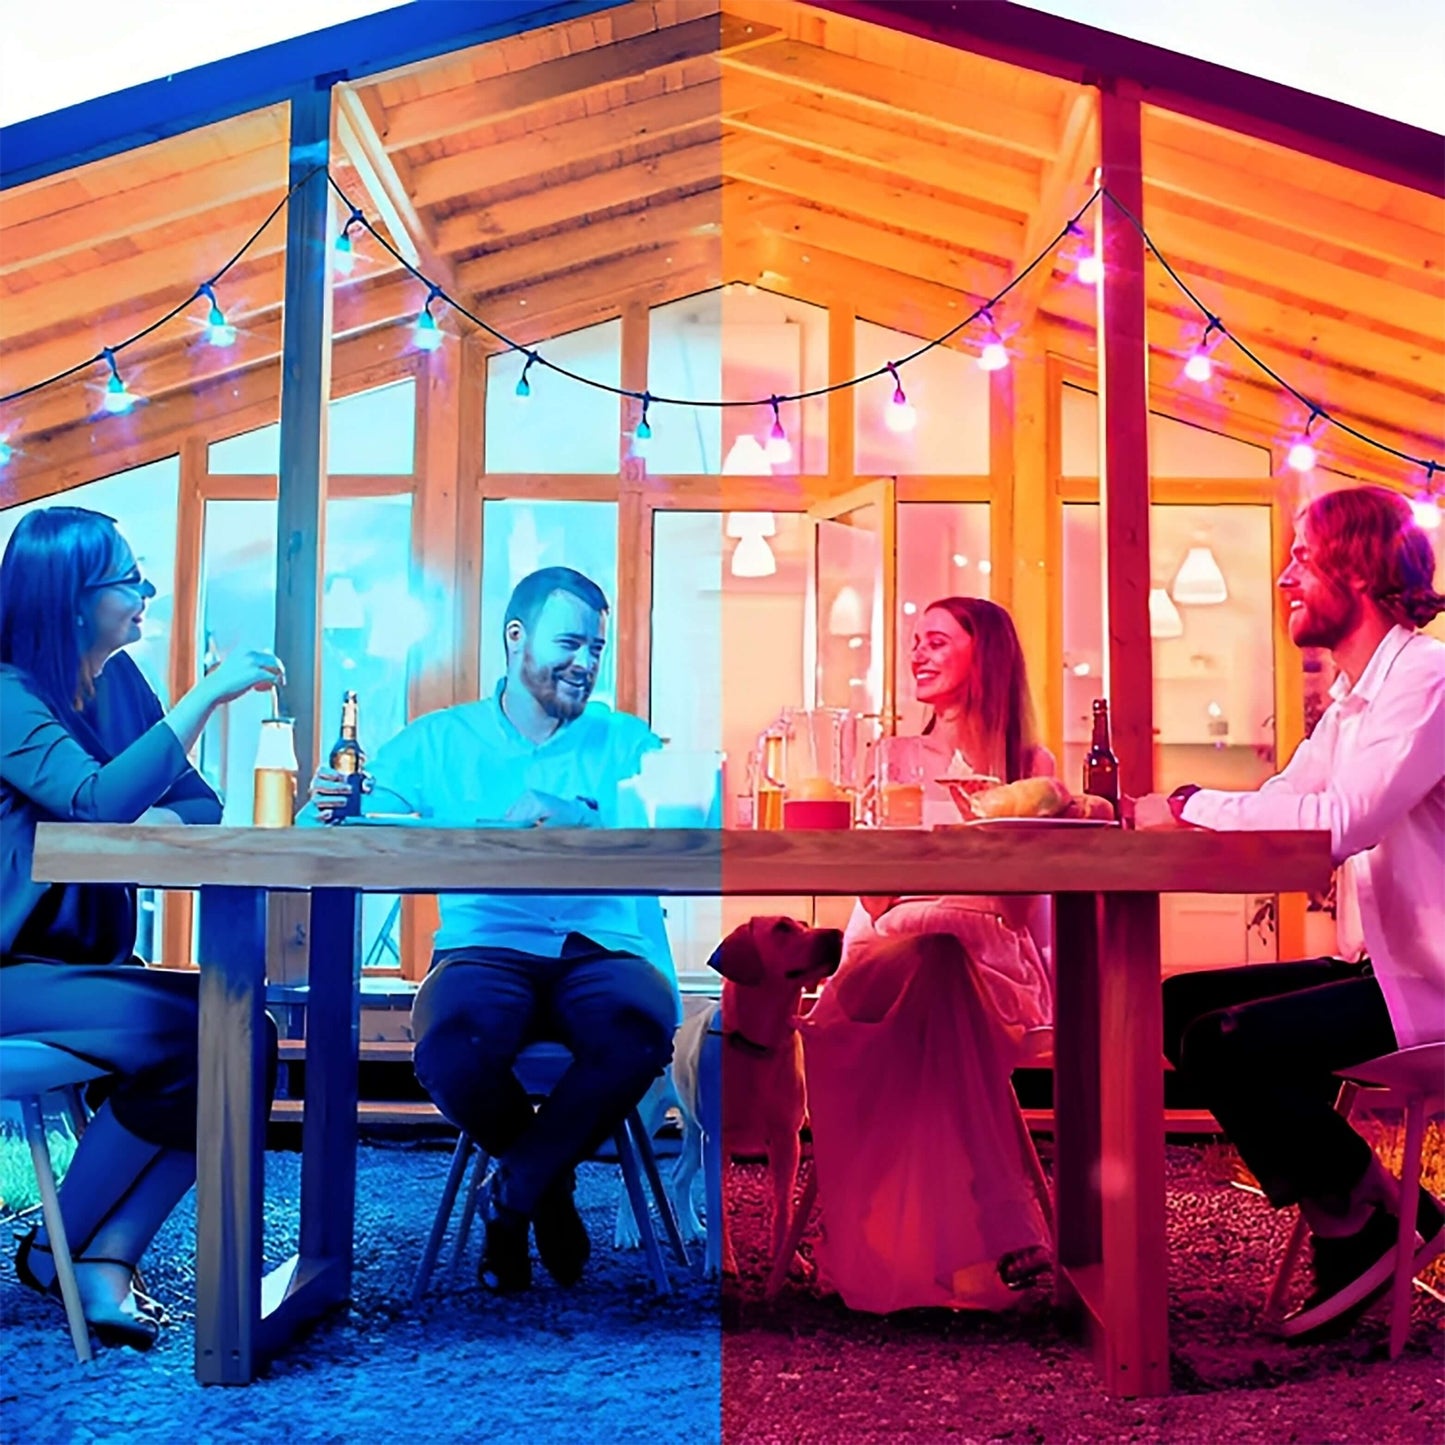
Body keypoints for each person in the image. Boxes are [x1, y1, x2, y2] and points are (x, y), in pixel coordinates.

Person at [306, 566, 677, 1294]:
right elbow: (337, 823)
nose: (585, 662)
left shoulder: (627, 742)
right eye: (569, 642)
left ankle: (509, 1199)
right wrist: (326, 800)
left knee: (637, 1029)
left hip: (599, 950)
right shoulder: (438, 741)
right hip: (484, 949)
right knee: (449, 1046)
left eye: (596, 647)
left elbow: (692, 824)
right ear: (515, 638)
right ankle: (547, 1189)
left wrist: (592, 821)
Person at [1134, 485, 1445, 1339]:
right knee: (1174, 1004)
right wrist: (1185, 810)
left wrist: (1189, 801)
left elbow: (1343, 821)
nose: (1283, 577)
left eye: (1302, 558)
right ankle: (1381, 1201)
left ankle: (1352, 1227)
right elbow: (1286, 800)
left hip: (1432, 977)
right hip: (1384, 963)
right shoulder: (1351, 701)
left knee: (1220, 1044)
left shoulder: (1425, 677)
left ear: (1360, 568)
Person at [0, 506, 283, 1350]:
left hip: (89, 968)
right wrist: (207, 692)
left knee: (246, 1033)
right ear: (71, 596)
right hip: (15, 972)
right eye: (129, 578)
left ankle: (103, 1258)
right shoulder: (8, 694)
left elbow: (197, 805)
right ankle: (54, 1249)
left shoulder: (119, 684)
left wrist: (134, 797)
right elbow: (95, 801)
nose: (145, 592)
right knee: (201, 1026)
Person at [800, 597, 1054, 1313]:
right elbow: (876, 898)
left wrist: (935, 876)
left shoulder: (1029, 767)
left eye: (936, 640)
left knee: (942, 966)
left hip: (992, 972)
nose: (917, 652)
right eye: (914, 640)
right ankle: (999, 1218)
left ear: (987, 655)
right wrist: (956, 875)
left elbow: (1020, 908)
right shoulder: (890, 760)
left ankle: (975, 1238)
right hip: (887, 958)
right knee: (933, 959)